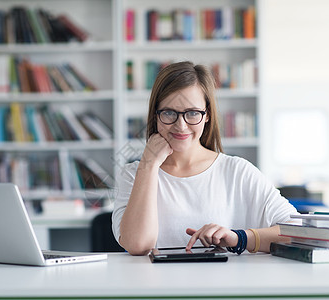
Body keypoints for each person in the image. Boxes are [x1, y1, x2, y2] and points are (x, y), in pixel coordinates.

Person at [112, 61, 297, 256]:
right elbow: (138, 245)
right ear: (156, 115)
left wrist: (239, 238)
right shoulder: (134, 174)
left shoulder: (237, 171)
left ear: (207, 115)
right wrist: (149, 165)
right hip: (157, 286)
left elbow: (298, 233)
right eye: (169, 113)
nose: (181, 126)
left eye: (192, 113)